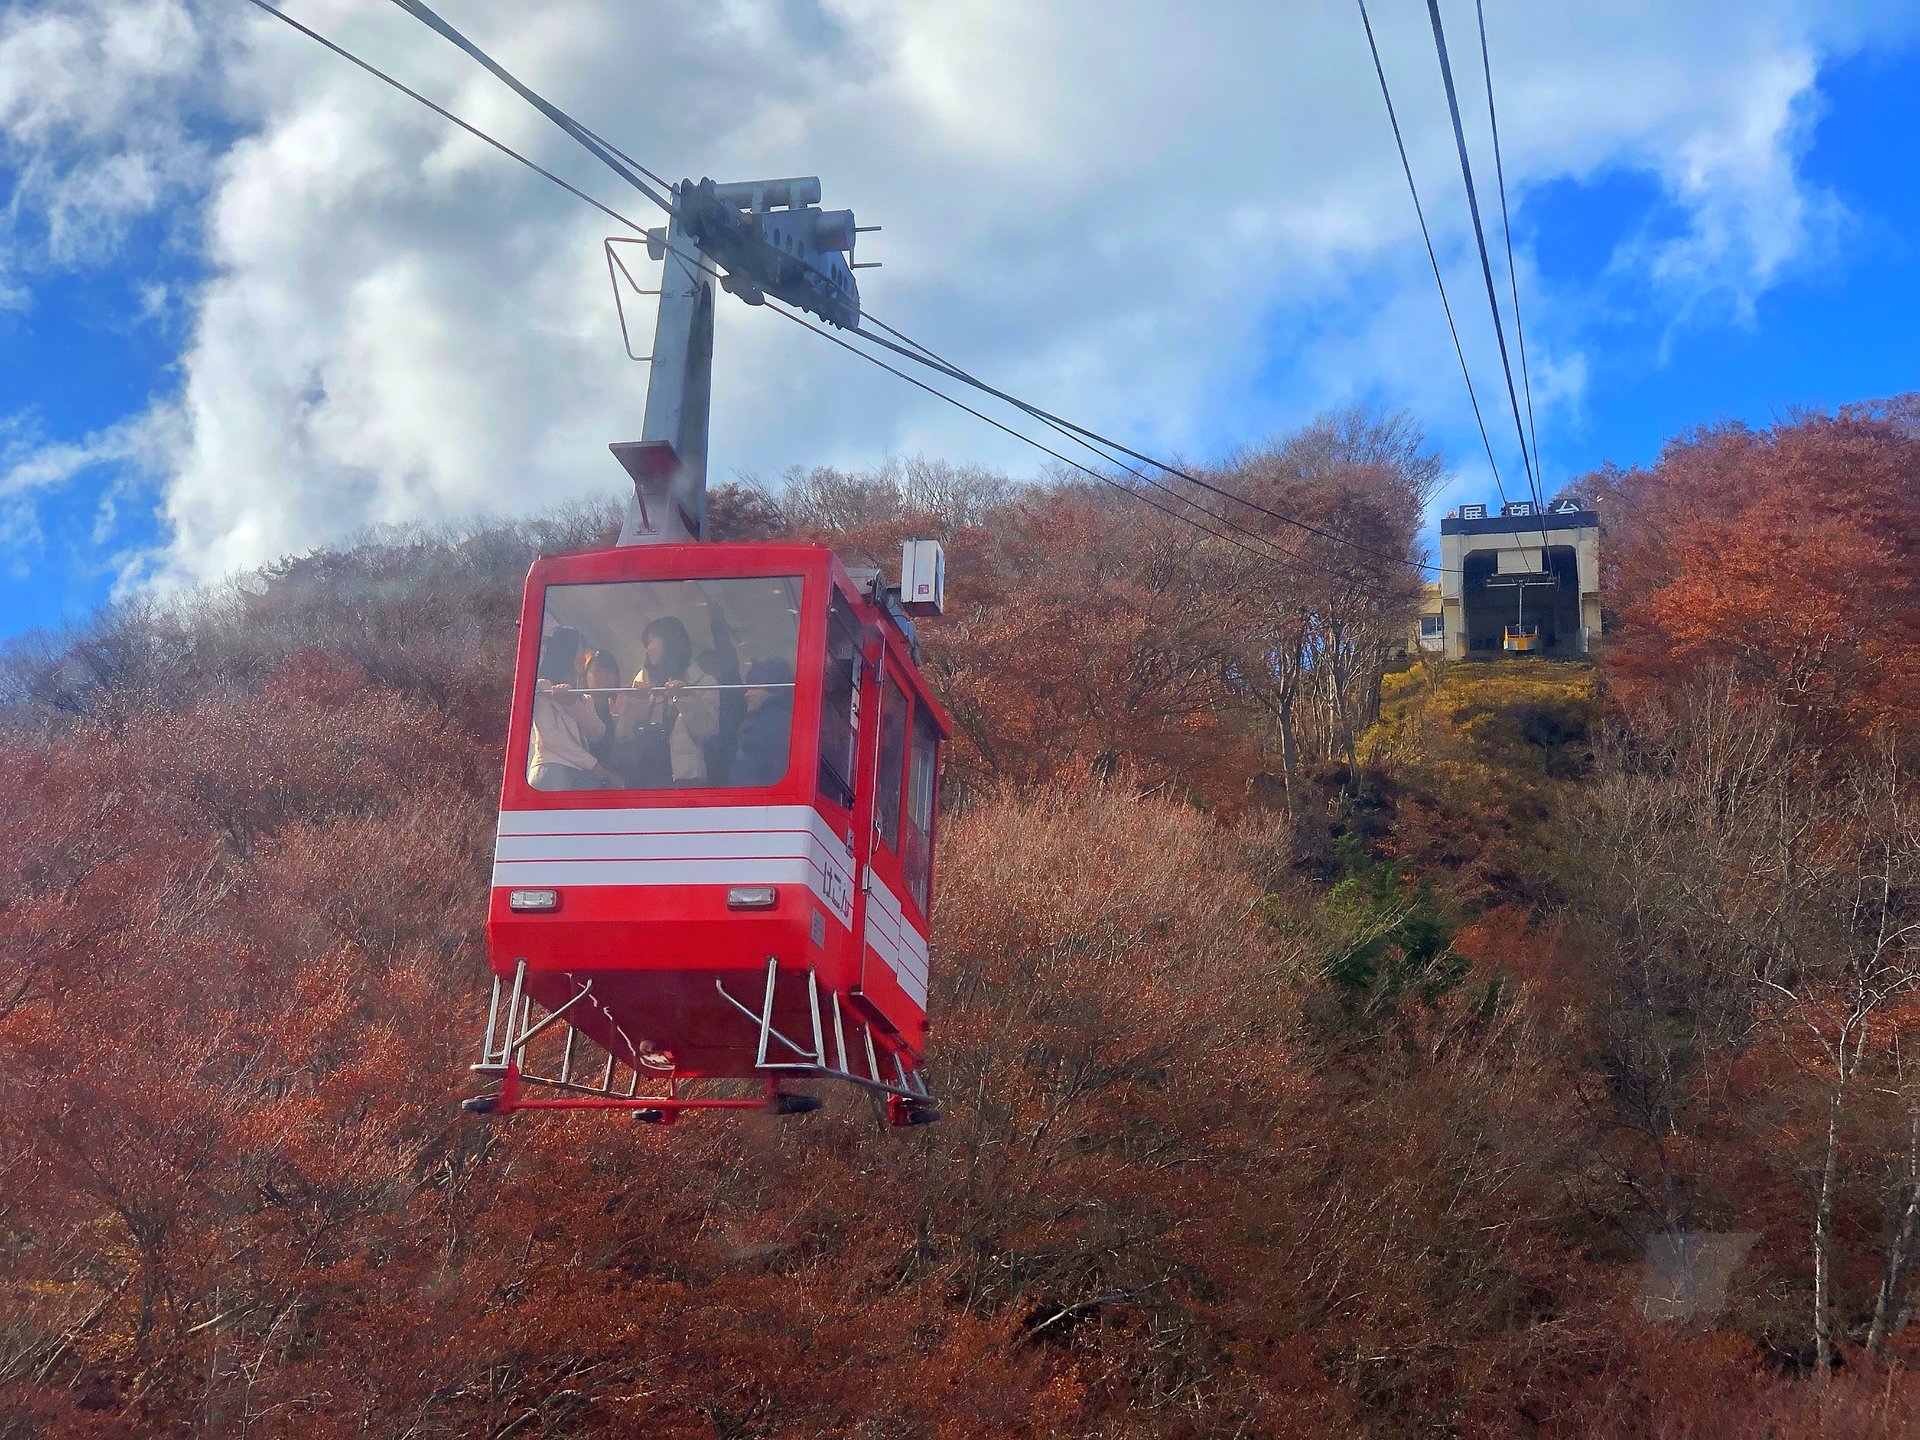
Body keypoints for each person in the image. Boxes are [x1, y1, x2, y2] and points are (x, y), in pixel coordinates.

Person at [607, 615, 718, 786]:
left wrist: (685, 697)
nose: (647, 650)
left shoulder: (704, 682)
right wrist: (635, 701)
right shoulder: (646, 681)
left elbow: (708, 731)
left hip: (683, 782)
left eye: (651, 641)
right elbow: (623, 735)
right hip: (642, 779)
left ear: (669, 640)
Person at [528, 626, 609, 791]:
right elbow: (550, 738)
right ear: (565, 653)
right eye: (578, 650)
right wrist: (594, 765)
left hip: (578, 773)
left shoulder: (582, 698)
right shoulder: (543, 688)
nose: (582, 657)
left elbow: (598, 732)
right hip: (552, 770)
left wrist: (571, 704)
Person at [731, 656, 795, 786]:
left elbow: (747, 774)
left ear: (773, 688)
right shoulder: (785, 720)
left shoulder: (767, 724)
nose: (746, 694)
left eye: (753, 686)